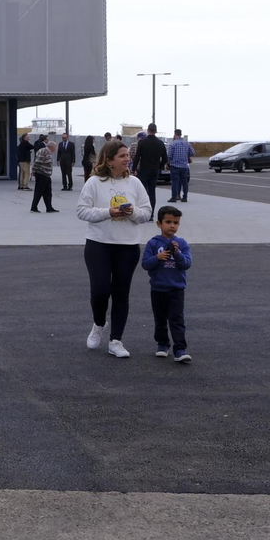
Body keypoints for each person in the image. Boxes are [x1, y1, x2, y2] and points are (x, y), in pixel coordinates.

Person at [76, 140, 153, 359]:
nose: (127, 159)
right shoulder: (94, 183)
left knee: (121, 294)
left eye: (127, 155)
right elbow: (82, 212)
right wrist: (108, 212)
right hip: (98, 244)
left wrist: (133, 212)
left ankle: (116, 341)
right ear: (109, 161)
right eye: (122, 156)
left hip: (127, 247)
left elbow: (147, 213)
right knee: (100, 291)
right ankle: (99, 323)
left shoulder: (135, 183)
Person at [141, 205, 193, 363]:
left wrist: (176, 254)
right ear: (159, 224)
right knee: (160, 318)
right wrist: (158, 257)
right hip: (158, 289)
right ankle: (162, 344)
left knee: (176, 319)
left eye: (176, 223)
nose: (172, 226)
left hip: (176, 289)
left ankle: (180, 349)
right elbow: (145, 264)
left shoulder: (182, 243)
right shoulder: (153, 243)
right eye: (168, 222)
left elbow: (186, 264)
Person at [133, 124, 168, 210]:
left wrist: (134, 169)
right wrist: (159, 166)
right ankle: (151, 214)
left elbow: (137, 157)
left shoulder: (142, 143)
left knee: (143, 191)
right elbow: (165, 159)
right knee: (152, 192)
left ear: (148, 131)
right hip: (154, 170)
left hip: (144, 169)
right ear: (156, 131)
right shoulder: (160, 143)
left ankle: (143, 210)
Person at [30, 138, 58, 212]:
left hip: (46, 175)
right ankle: (34, 207)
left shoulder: (48, 152)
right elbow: (38, 162)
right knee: (39, 191)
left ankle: (49, 207)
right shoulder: (43, 151)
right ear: (51, 147)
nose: (55, 149)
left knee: (48, 192)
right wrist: (34, 170)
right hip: (41, 174)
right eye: (55, 147)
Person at [166, 129, 194, 202]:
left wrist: (168, 163)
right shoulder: (187, 143)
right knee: (184, 182)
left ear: (175, 134)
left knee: (175, 181)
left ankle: (174, 197)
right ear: (181, 134)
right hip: (184, 166)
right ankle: (185, 197)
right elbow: (192, 152)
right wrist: (186, 156)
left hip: (174, 165)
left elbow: (169, 155)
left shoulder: (173, 144)